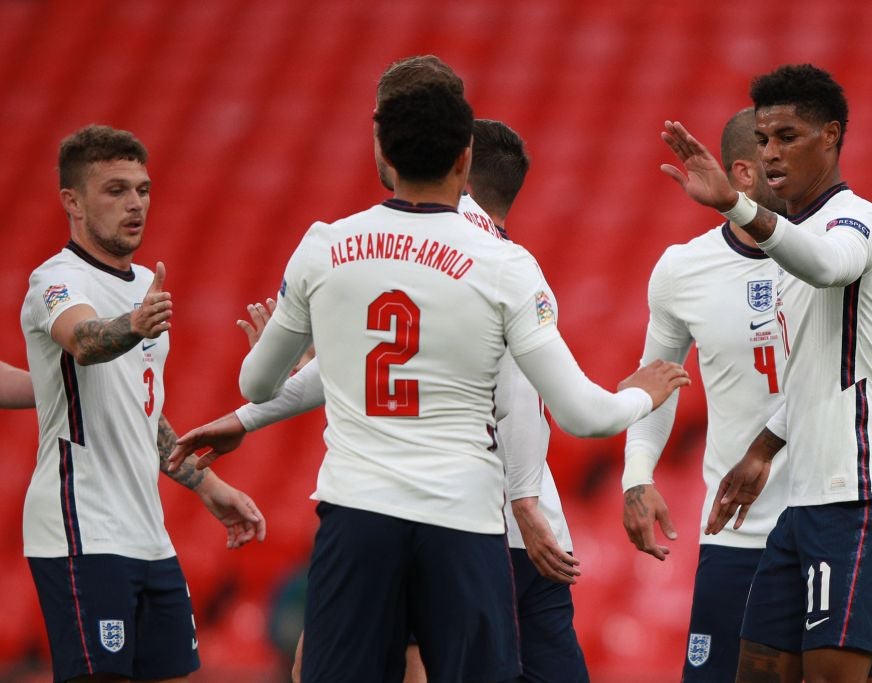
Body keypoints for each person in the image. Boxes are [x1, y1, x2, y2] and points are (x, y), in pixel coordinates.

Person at [230, 78, 685, 682]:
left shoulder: (326, 246)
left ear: (383, 154)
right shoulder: (503, 264)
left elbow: (257, 381)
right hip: (460, 518)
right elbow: (582, 415)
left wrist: (286, 376)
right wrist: (641, 392)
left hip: (359, 511)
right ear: (463, 157)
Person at [172, 117, 592, 683]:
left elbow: (356, 367)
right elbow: (531, 399)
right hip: (506, 520)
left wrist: (252, 409)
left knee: (347, 661)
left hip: (430, 511)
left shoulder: (403, 257)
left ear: (456, 171)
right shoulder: (509, 270)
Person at [622, 106, 872, 682]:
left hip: (840, 516)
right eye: (774, 155)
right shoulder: (683, 271)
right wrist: (637, 473)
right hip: (742, 531)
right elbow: (658, 379)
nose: (796, 168)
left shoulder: (842, 249)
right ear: (747, 174)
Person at [20, 124, 267, 682]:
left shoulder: (140, 289)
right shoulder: (56, 281)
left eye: (143, 189)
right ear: (72, 202)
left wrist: (208, 485)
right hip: (81, 527)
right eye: (115, 190)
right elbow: (84, 342)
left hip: (148, 532)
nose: (135, 204)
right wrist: (132, 326)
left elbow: (140, 410)